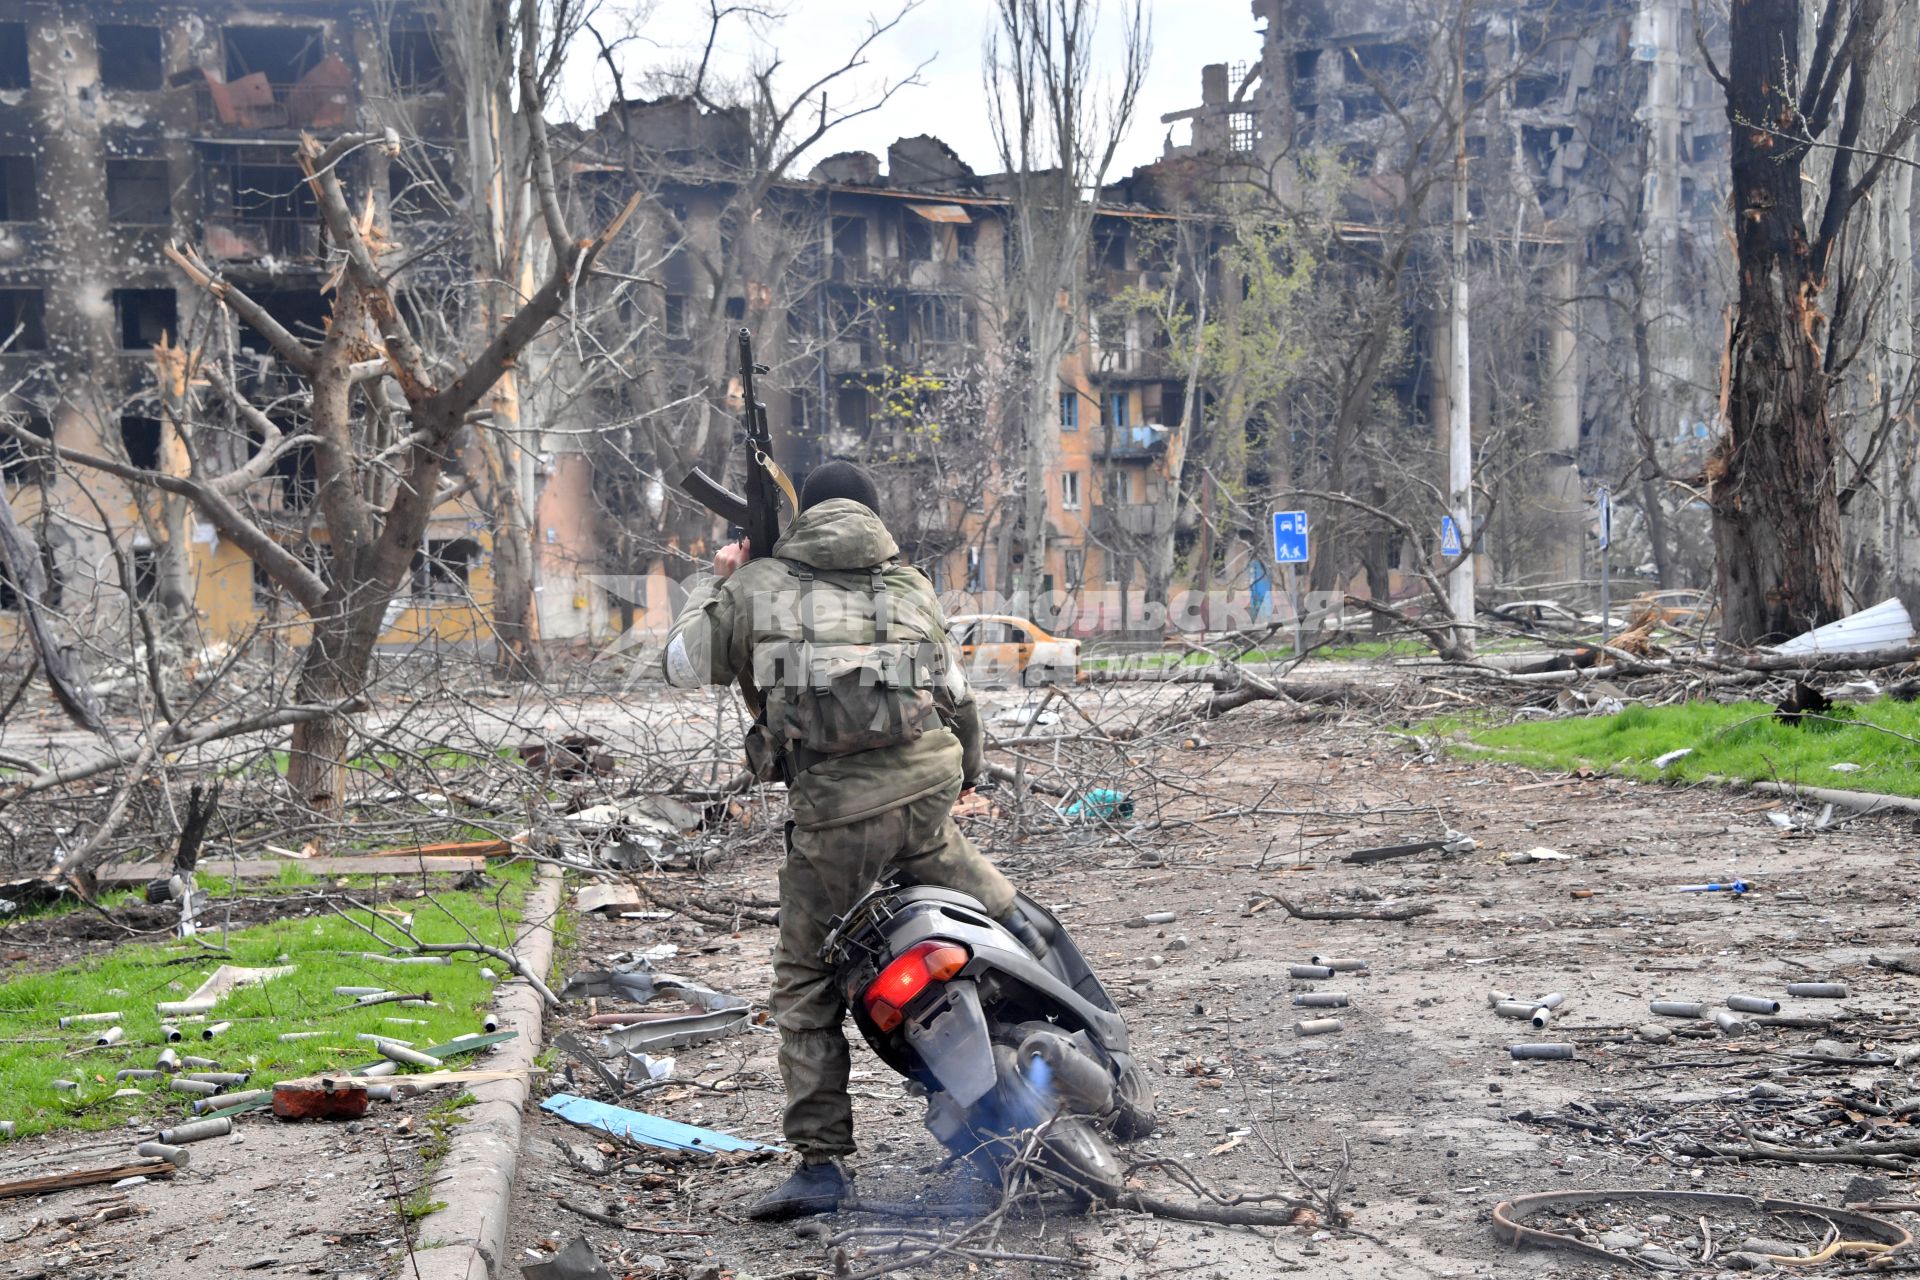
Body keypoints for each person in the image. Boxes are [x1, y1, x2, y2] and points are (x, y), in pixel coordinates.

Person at [661, 460, 1043, 1220]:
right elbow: (958, 704)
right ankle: (1077, 1046)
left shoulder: (757, 585)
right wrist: (965, 777)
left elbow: (682, 666)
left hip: (836, 823)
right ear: (873, 518)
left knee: (805, 984)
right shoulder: (910, 586)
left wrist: (720, 578)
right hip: (927, 804)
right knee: (1008, 918)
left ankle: (822, 1166)